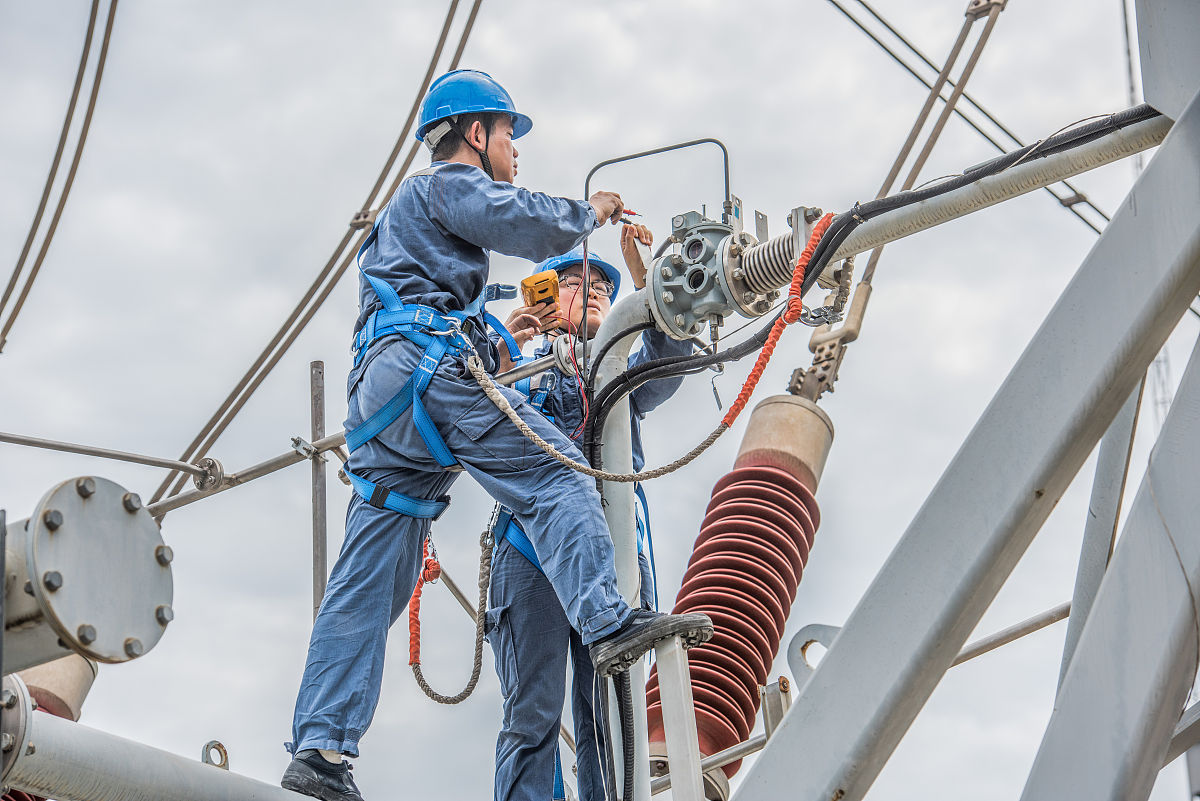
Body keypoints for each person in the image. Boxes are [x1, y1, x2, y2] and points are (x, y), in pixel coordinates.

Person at [280, 69, 711, 801]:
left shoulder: (585, 356)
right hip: (429, 374)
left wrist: (661, 302)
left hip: (388, 401)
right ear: (474, 134)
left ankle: (320, 750)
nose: (515, 149)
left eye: (608, 293)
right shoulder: (443, 186)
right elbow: (520, 219)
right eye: (508, 134)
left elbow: (655, 377)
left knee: (370, 577)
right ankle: (607, 620)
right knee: (557, 473)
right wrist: (588, 212)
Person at [487, 229, 692, 801]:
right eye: (578, 283)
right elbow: (474, 408)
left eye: (605, 284)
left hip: (615, 544)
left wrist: (649, 280)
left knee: (611, 710)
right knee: (533, 713)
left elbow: (671, 359)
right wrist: (510, 336)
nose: (596, 291)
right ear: (546, 294)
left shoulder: (617, 370)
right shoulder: (515, 367)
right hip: (531, 549)